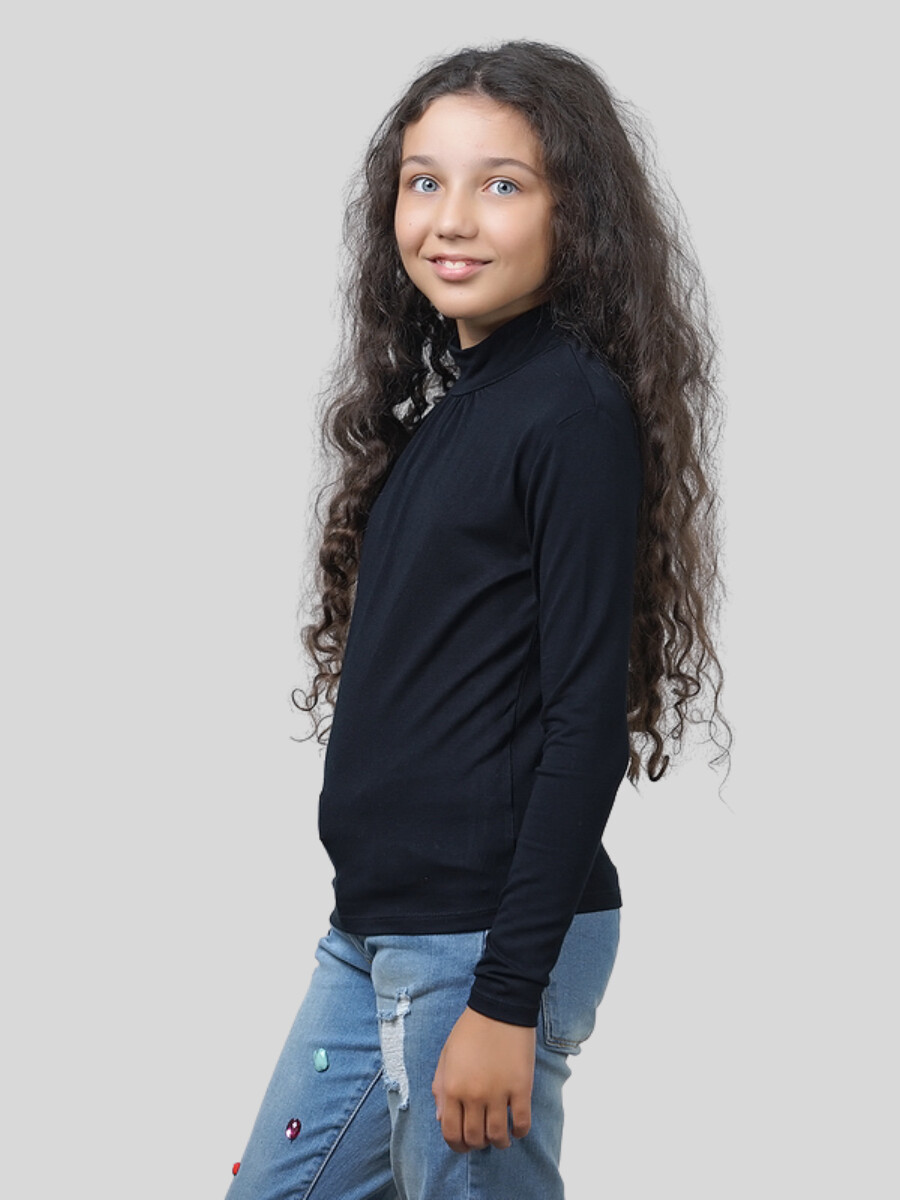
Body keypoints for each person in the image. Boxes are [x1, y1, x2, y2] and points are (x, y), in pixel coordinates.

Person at [225, 39, 730, 1200]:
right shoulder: (458, 409)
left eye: (502, 183)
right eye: (425, 181)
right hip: (378, 927)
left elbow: (583, 724)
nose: (451, 218)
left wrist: (505, 998)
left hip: (479, 943)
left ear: (574, 213)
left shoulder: (569, 413)